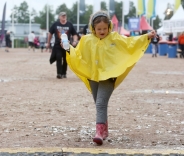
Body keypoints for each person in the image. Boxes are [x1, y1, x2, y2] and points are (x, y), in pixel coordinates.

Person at [61, 11, 156, 145]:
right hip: (93, 76)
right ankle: (104, 130)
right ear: (93, 28)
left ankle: (99, 133)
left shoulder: (115, 38)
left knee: (100, 103)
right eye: (99, 29)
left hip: (109, 76)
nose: (102, 31)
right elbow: (78, 54)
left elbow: (130, 43)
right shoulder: (86, 40)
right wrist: (68, 48)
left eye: (105, 28)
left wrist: (146, 36)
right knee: (99, 103)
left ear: (109, 26)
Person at [47, 12, 78, 79]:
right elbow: (50, 33)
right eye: (62, 16)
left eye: (65, 16)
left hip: (66, 45)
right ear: (59, 17)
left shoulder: (69, 24)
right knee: (58, 57)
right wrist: (48, 42)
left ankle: (64, 73)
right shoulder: (56, 24)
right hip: (58, 44)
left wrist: (75, 41)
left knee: (66, 59)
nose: (64, 17)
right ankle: (59, 73)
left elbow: (74, 34)